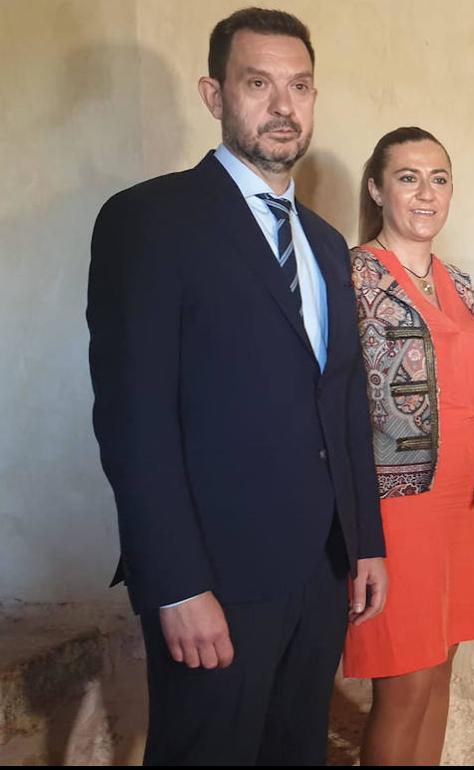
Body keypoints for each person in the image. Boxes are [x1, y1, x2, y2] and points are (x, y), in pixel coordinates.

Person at [86, 8, 387, 764]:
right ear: (214, 95)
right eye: (259, 84)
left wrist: (366, 544)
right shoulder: (149, 221)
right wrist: (175, 585)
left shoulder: (326, 243)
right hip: (215, 578)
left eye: (300, 86)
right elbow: (133, 421)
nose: (284, 106)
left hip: (321, 573)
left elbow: (344, 403)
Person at [342, 126, 474, 765]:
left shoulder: (460, 283)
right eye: (408, 178)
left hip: (462, 498)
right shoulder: (351, 276)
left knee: (443, 665)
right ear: (376, 189)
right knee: (406, 678)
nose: (426, 193)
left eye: (438, 179)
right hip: (398, 500)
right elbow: (332, 398)